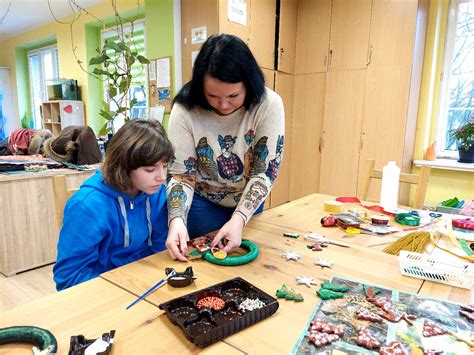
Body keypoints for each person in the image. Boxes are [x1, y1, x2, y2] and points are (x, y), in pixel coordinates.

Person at [166, 34, 285, 261]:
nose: (223, 105)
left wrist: (239, 218)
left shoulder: (269, 104)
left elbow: (264, 171)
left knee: (245, 264)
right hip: (201, 202)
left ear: (249, 85)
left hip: (247, 198)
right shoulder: (185, 109)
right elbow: (181, 175)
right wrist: (177, 220)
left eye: (233, 96)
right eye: (212, 96)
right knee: (203, 267)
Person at [53, 119, 174, 290]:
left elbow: (160, 249)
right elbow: (69, 277)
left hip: (145, 283)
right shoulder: (86, 206)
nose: (162, 177)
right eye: (150, 169)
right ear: (124, 165)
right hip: (103, 290)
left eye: (165, 166)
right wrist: (123, 288)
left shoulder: (156, 194)